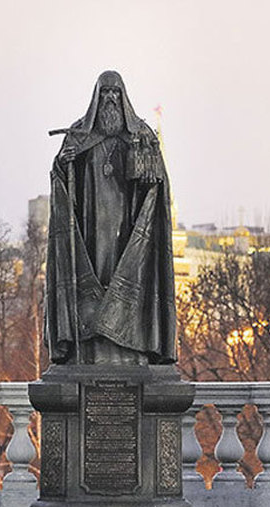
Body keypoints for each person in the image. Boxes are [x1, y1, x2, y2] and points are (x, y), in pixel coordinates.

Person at [46, 70, 177, 365]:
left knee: (126, 264)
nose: (110, 99)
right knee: (94, 263)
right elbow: (61, 178)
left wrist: (147, 168)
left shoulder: (140, 134)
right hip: (89, 220)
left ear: (123, 97)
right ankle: (89, 332)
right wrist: (62, 162)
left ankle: (129, 334)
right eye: (104, 93)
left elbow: (155, 186)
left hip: (128, 221)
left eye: (115, 93)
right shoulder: (79, 132)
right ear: (96, 97)